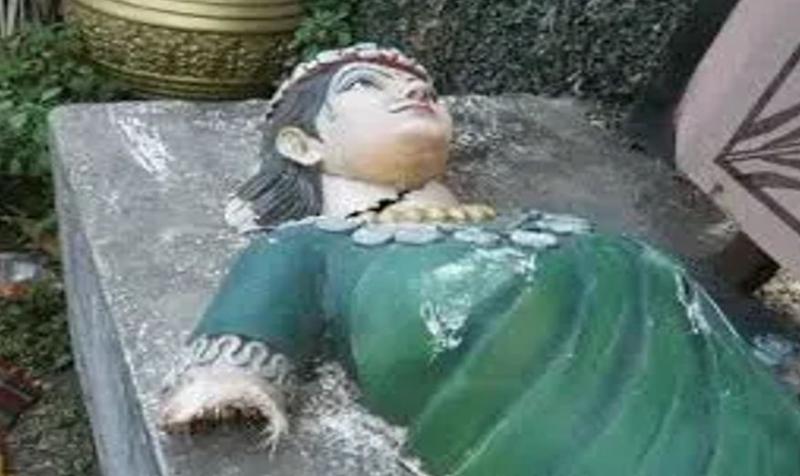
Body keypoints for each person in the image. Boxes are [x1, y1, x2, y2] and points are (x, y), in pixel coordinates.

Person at [160, 44, 800, 475]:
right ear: (303, 144)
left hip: (757, 430)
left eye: (420, 85)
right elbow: (239, 356)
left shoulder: (549, 225)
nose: (415, 88)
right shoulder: (310, 247)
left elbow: (707, 315)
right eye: (367, 85)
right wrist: (231, 380)